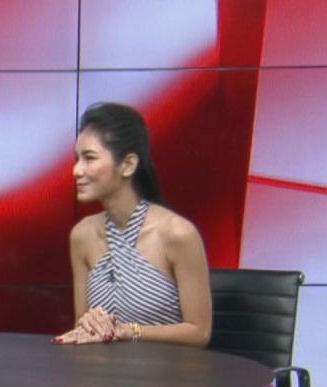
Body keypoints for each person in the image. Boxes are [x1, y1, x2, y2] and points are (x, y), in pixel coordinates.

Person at [54, 102, 211, 347]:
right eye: (77, 159)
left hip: (166, 369)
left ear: (128, 165)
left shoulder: (177, 233)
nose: (76, 170)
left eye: (89, 158)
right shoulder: (82, 235)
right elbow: (82, 328)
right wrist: (86, 326)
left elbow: (199, 333)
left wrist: (129, 331)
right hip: (101, 369)